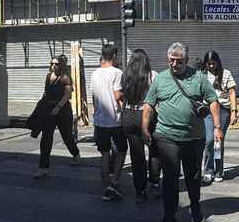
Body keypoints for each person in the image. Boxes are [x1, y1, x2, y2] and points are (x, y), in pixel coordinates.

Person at [142, 42, 220, 222]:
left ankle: (195, 207)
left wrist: (218, 127)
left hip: (194, 138)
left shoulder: (198, 78)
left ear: (187, 60)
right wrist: (144, 128)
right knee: (170, 176)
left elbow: (213, 101)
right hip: (166, 136)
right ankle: (169, 218)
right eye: (171, 61)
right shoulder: (160, 79)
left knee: (193, 176)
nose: (174, 65)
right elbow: (149, 104)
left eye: (179, 61)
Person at [31, 55, 81, 178]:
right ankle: (43, 167)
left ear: (61, 65)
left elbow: (67, 95)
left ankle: (76, 154)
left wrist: (57, 108)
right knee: (46, 137)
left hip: (62, 109)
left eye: (56, 64)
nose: (54, 66)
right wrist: (42, 105)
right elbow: (46, 92)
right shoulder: (49, 76)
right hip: (49, 108)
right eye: (52, 63)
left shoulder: (65, 78)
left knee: (66, 135)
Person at [121, 48, 160, 203]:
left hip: (129, 115)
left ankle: (140, 192)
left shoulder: (125, 75)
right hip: (147, 115)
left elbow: (121, 94)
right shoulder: (153, 75)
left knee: (136, 155)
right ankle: (155, 184)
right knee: (154, 150)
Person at [90, 44, 127, 201]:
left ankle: (106, 186)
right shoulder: (117, 72)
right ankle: (114, 181)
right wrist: (126, 98)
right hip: (114, 119)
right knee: (122, 150)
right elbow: (118, 95)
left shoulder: (94, 73)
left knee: (105, 154)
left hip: (100, 120)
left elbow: (94, 97)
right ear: (114, 56)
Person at [200, 50, 238, 183]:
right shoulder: (202, 75)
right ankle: (208, 170)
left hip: (223, 110)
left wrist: (234, 111)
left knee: (218, 141)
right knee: (209, 140)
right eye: (208, 64)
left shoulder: (226, 74)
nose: (211, 66)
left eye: (213, 63)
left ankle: (218, 170)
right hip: (208, 111)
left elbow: (232, 93)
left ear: (218, 62)